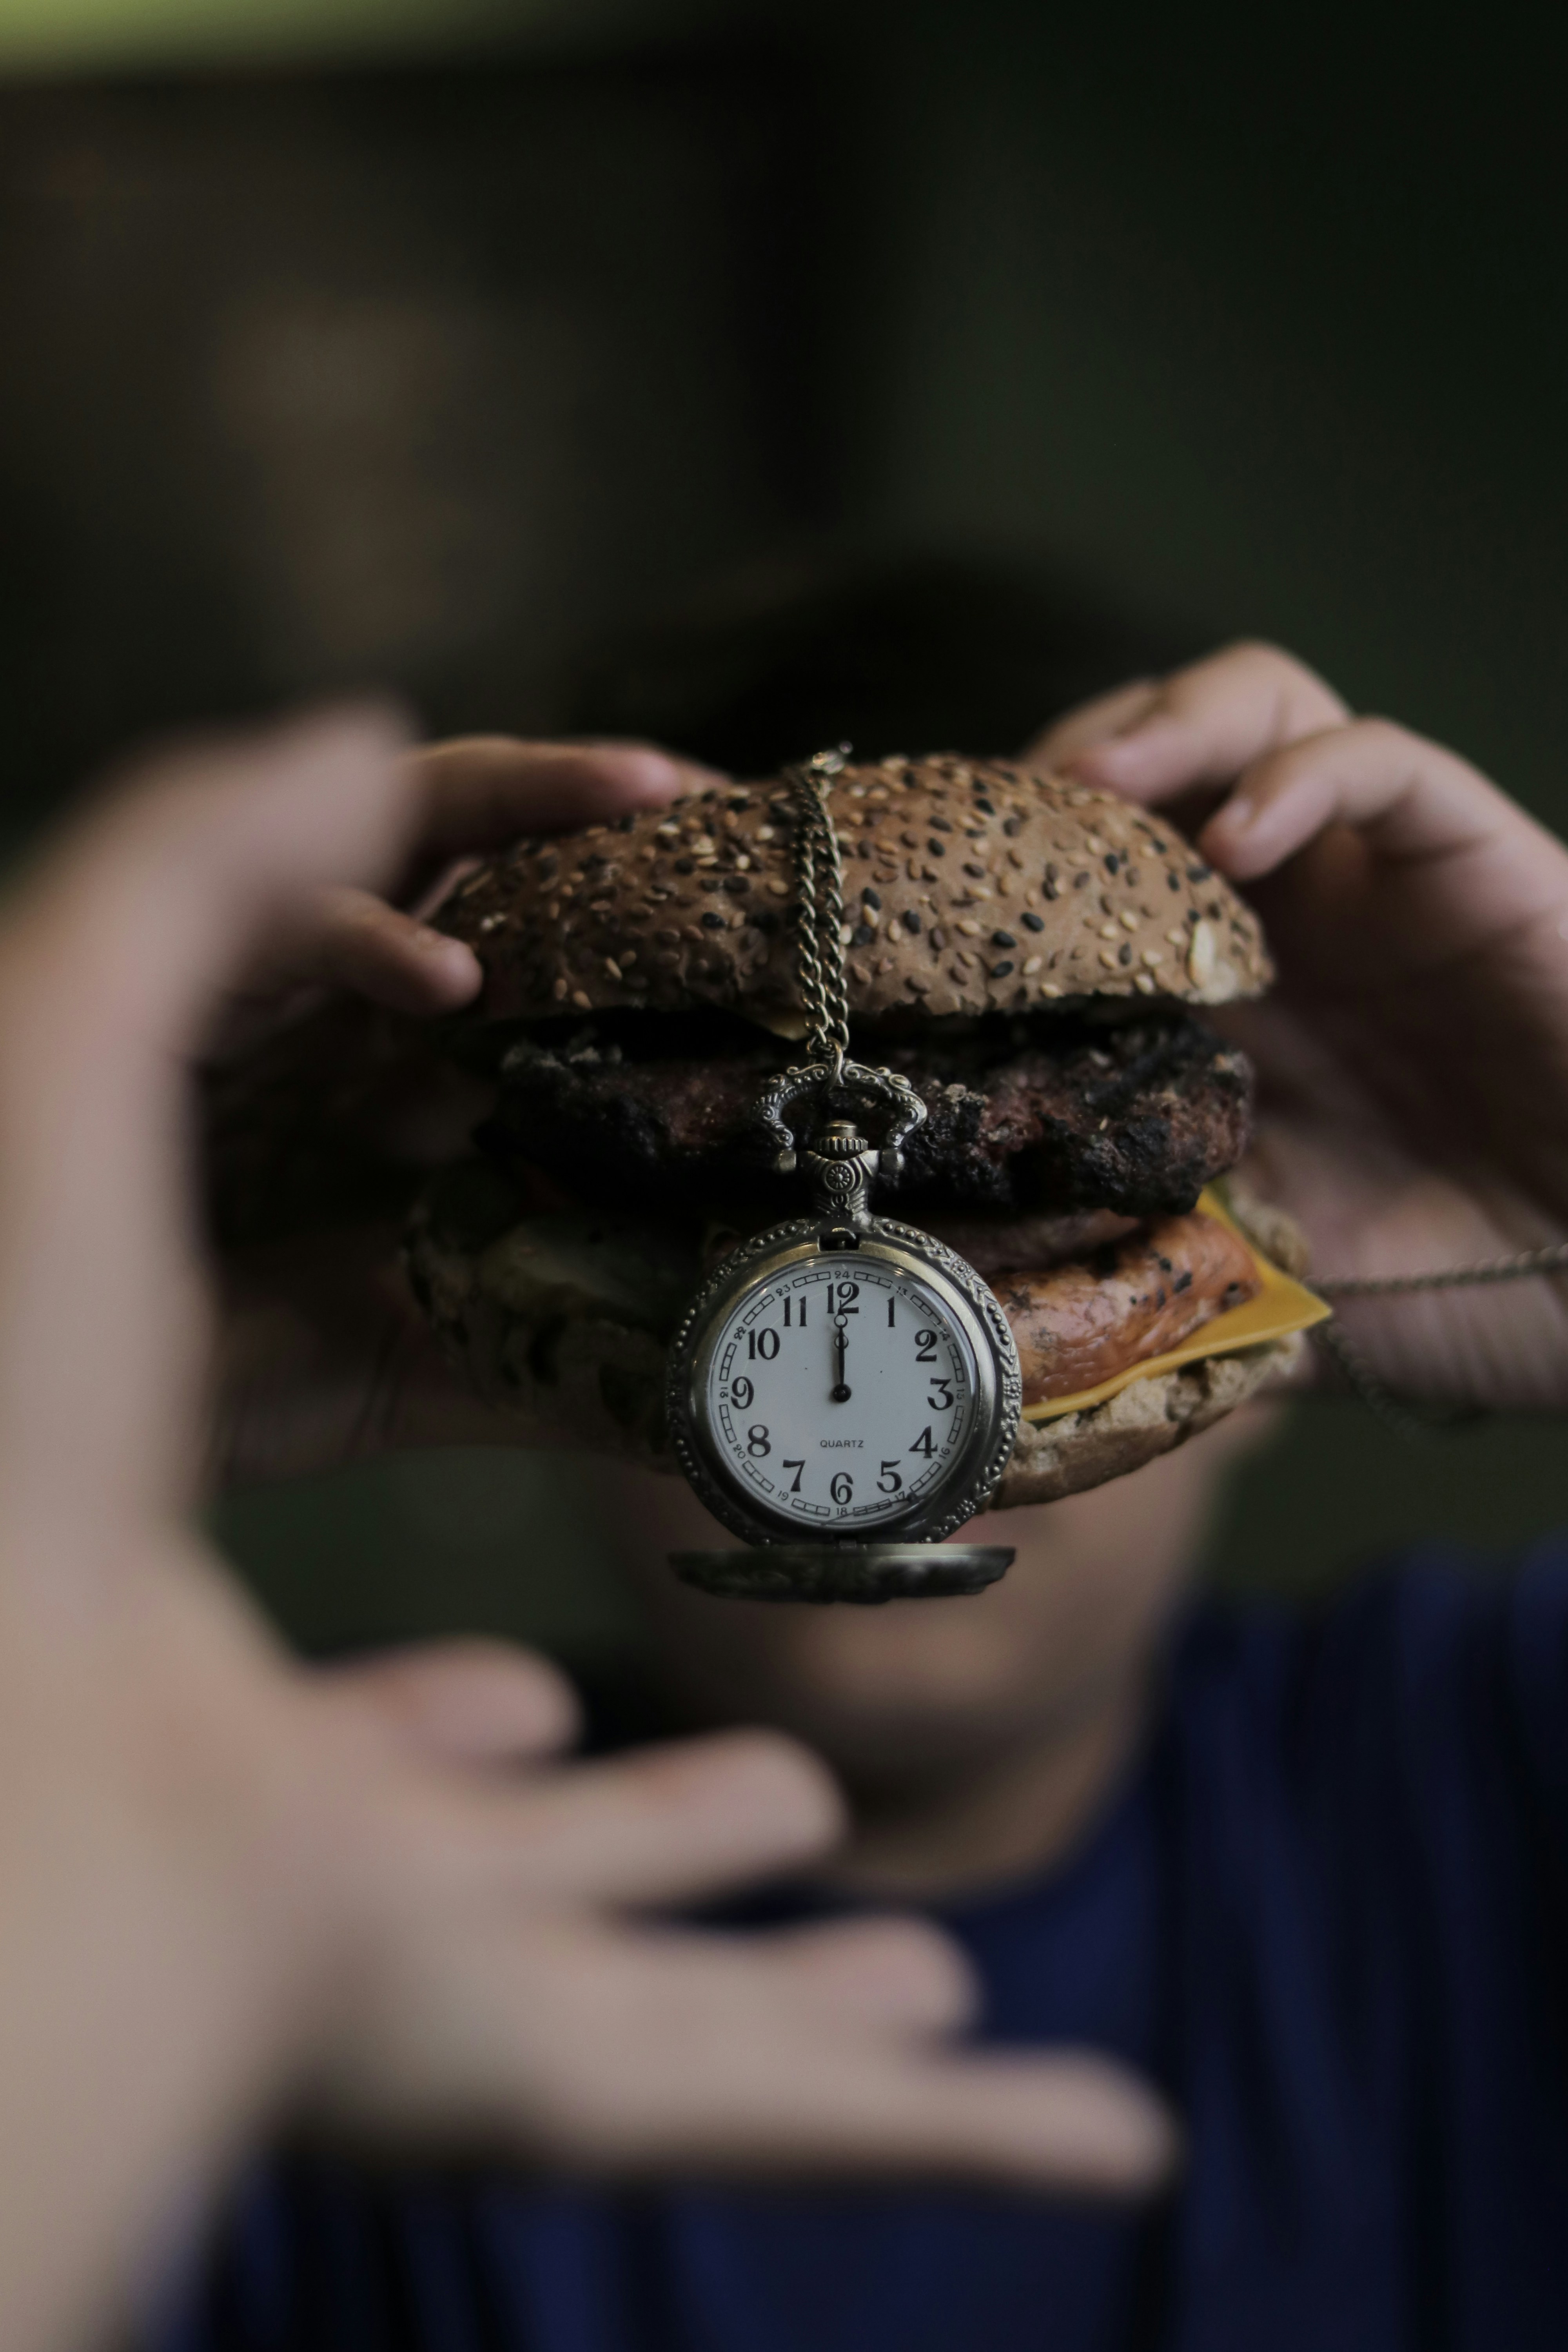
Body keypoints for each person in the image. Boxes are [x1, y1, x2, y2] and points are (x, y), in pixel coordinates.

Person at [163, 637, 1568, 2350]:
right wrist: (89, 1374)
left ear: (1258, 1276)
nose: (888, 1371)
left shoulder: (1485, 1762)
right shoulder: (259, 1894)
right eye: (743, 1247)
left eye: (988, 1253)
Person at [0, 706, 1186, 2352]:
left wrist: (1520, 1217)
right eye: (700, 1244)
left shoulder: (1478, 1754)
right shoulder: (234, 1860)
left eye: (1025, 1249)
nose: (886, 1443)